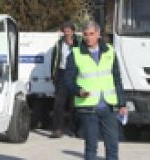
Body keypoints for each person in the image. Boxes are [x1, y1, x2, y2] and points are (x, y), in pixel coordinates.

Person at [62, 21, 127, 160]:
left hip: (109, 107)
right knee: (91, 147)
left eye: (91, 34)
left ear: (98, 34)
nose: (88, 37)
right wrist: (78, 91)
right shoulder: (75, 54)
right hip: (88, 108)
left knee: (112, 146)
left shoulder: (110, 51)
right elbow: (67, 80)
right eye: (85, 34)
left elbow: (117, 79)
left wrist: (122, 103)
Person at [50, 22, 81, 137]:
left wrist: (72, 46)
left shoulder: (79, 43)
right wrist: (54, 75)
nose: (67, 33)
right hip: (62, 73)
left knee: (74, 104)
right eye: (65, 31)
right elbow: (54, 60)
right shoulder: (59, 44)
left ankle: (75, 129)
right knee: (59, 103)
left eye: (69, 31)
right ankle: (57, 129)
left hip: (75, 74)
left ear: (73, 32)